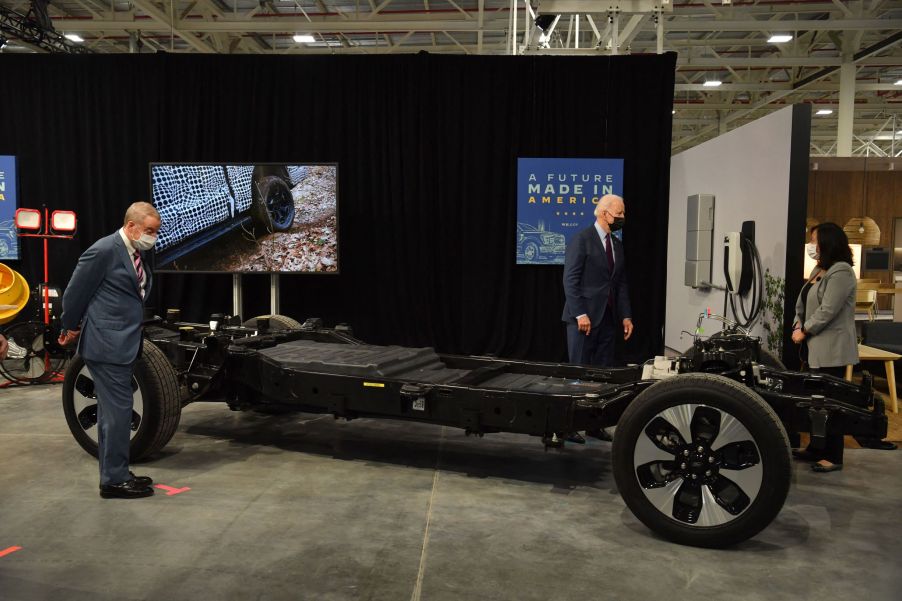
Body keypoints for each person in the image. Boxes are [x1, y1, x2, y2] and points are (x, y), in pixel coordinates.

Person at [59, 202, 160, 498]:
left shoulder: (135, 252)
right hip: (106, 345)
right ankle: (114, 480)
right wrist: (69, 326)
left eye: (156, 232)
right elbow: (75, 294)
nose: (153, 237)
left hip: (122, 343)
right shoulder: (103, 251)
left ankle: (114, 473)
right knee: (118, 413)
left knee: (111, 414)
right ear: (131, 226)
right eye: (150, 231)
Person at [791, 222, 858, 472]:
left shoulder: (842, 272)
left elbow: (828, 310)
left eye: (815, 240)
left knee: (831, 403)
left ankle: (834, 455)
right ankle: (816, 447)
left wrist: (805, 330)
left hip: (833, 349)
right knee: (816, 402)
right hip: (813, 347)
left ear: (828, 242)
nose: (812, 246)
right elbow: (803, 302)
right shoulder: (819, 269)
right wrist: (797, 324)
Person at [562, 194, 634, 367]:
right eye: (619, 213)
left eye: (623, 213)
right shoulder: (581, 239)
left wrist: (626, 316)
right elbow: (570, 280)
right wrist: (580, 314)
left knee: (603, 372)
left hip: (608, 321)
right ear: (604, 213)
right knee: (579, 372)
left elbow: (620, 284)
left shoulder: (617, 244)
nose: (622, 217)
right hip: (583, 321)